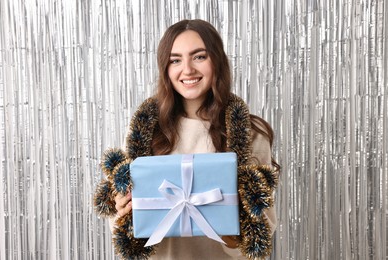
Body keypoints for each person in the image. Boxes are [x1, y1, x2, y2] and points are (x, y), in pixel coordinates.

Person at [94, 19, 279, 260]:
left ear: (217, 61)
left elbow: (261, 233)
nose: (188, 70)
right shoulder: (143, 131)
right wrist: (122, 211)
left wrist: (228, 223)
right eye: (175, 60)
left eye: (199, 57)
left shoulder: (250, 133)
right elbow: (124, 230)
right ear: (165, 68)